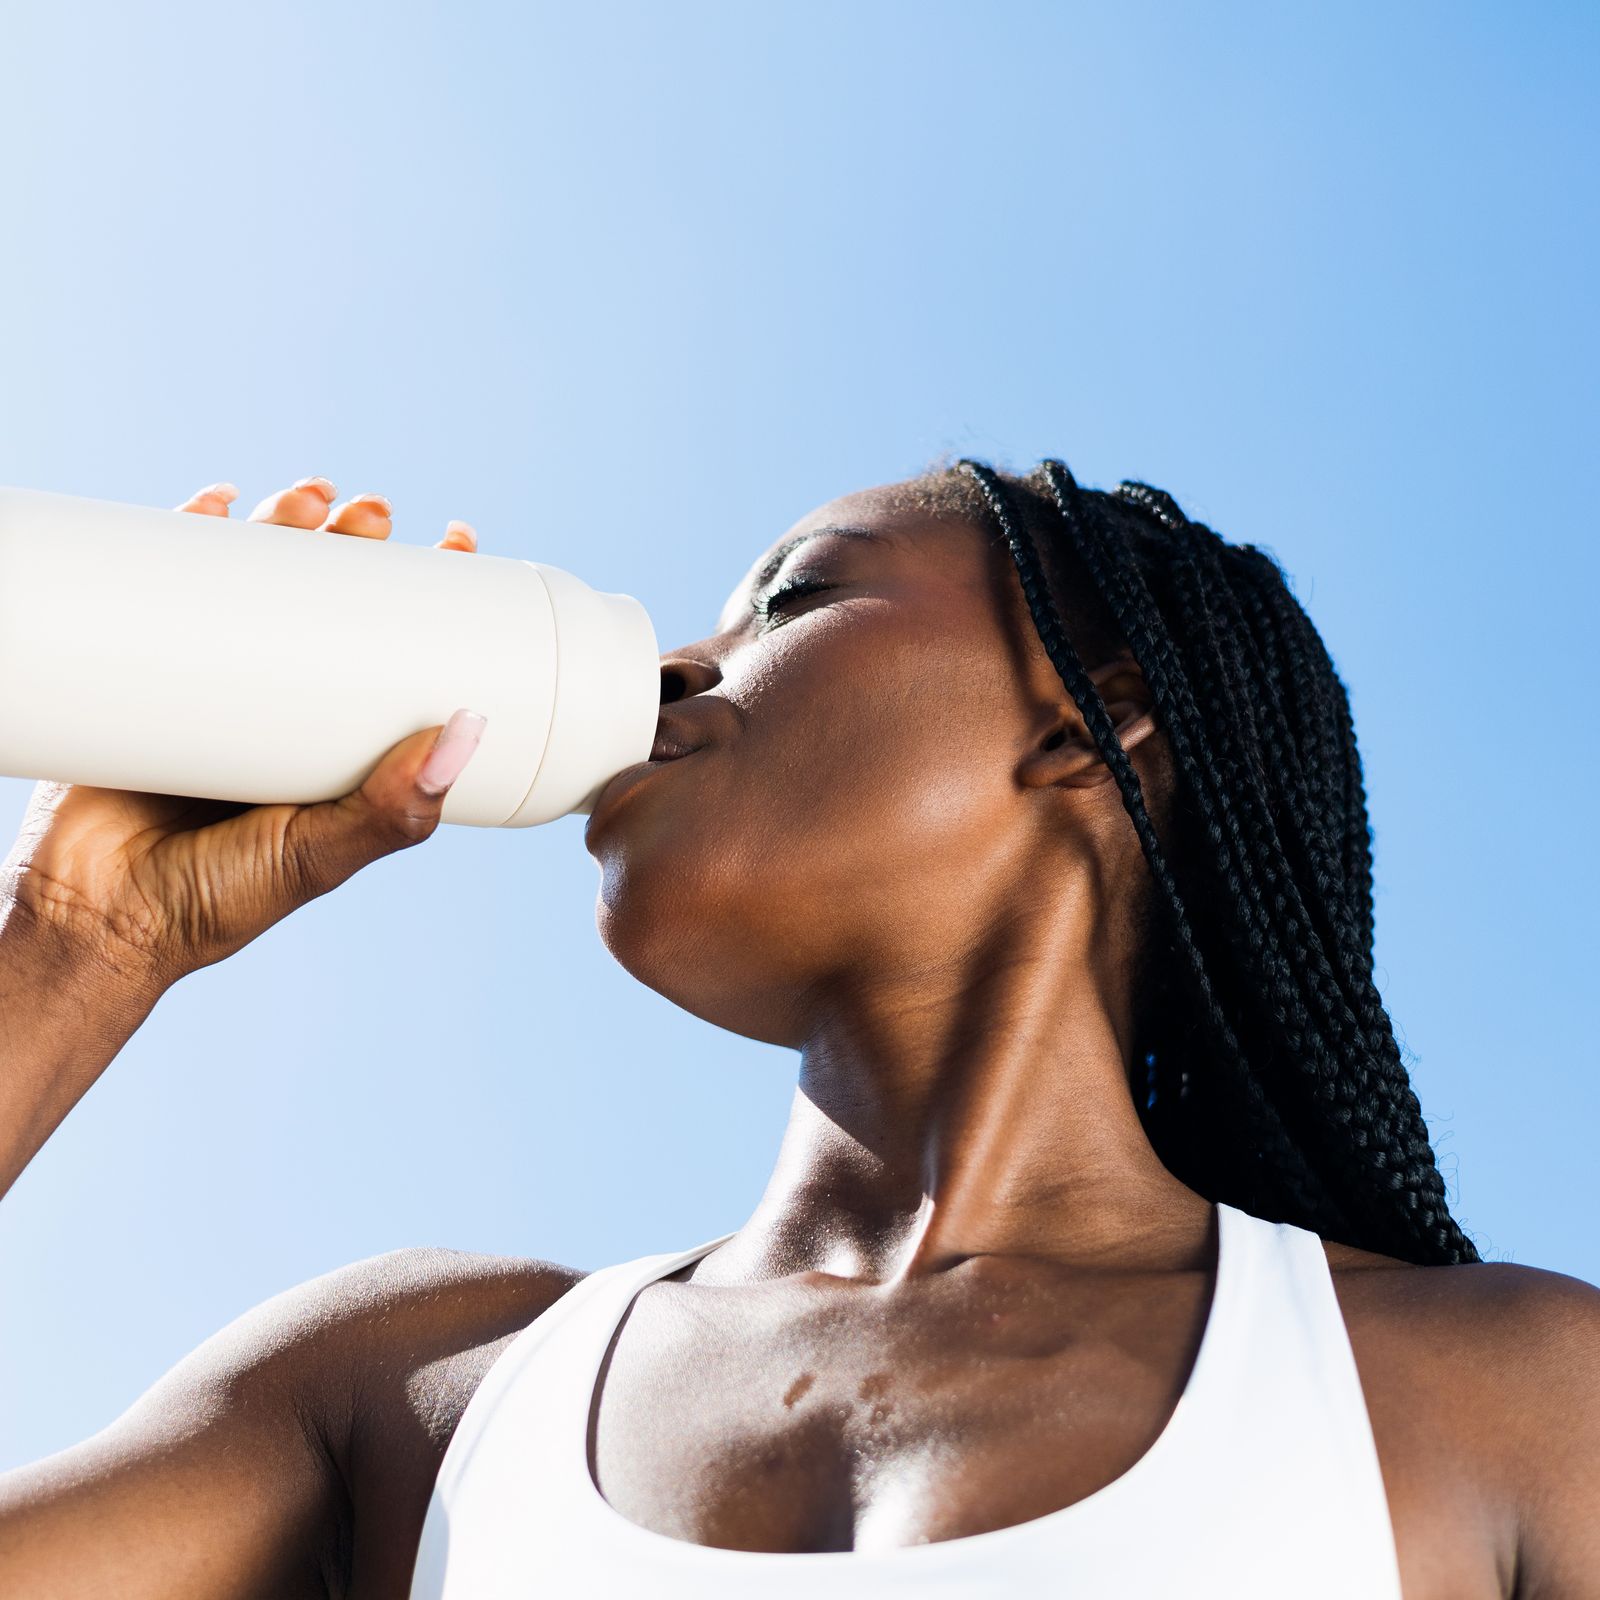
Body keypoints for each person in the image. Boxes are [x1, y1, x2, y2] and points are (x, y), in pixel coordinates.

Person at [0, 463, 1593, 1598]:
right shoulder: (423, 1387)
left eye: (795, 594)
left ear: (1088, 723)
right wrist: (79, 944)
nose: (676, 666)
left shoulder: (1502, 1392)